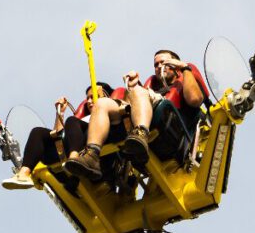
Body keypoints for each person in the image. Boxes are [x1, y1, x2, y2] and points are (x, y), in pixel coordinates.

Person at [64, 49, 207, 180]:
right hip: (138, 117)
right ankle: (92, 155)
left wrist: (185, 68)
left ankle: (141, 133)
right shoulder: (152, 87)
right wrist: (133, 85)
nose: (158, 67)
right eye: (156, 64)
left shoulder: (183, 80)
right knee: (102, 103)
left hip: (172, 130)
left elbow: (195, 99)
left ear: (175, 64)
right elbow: (131, 105)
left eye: (163, 62)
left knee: (138, 91)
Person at [2, 82, 116, 191]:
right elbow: (58, 135)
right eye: (88, 98)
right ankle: (24, 173)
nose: (89, 101)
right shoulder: (80, 120)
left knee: (71, 121)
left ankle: (74, 160)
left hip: (99, 147)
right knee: (38, 132)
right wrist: (60, 113)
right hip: (72, 147)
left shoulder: (110, 113)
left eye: (94, 97)